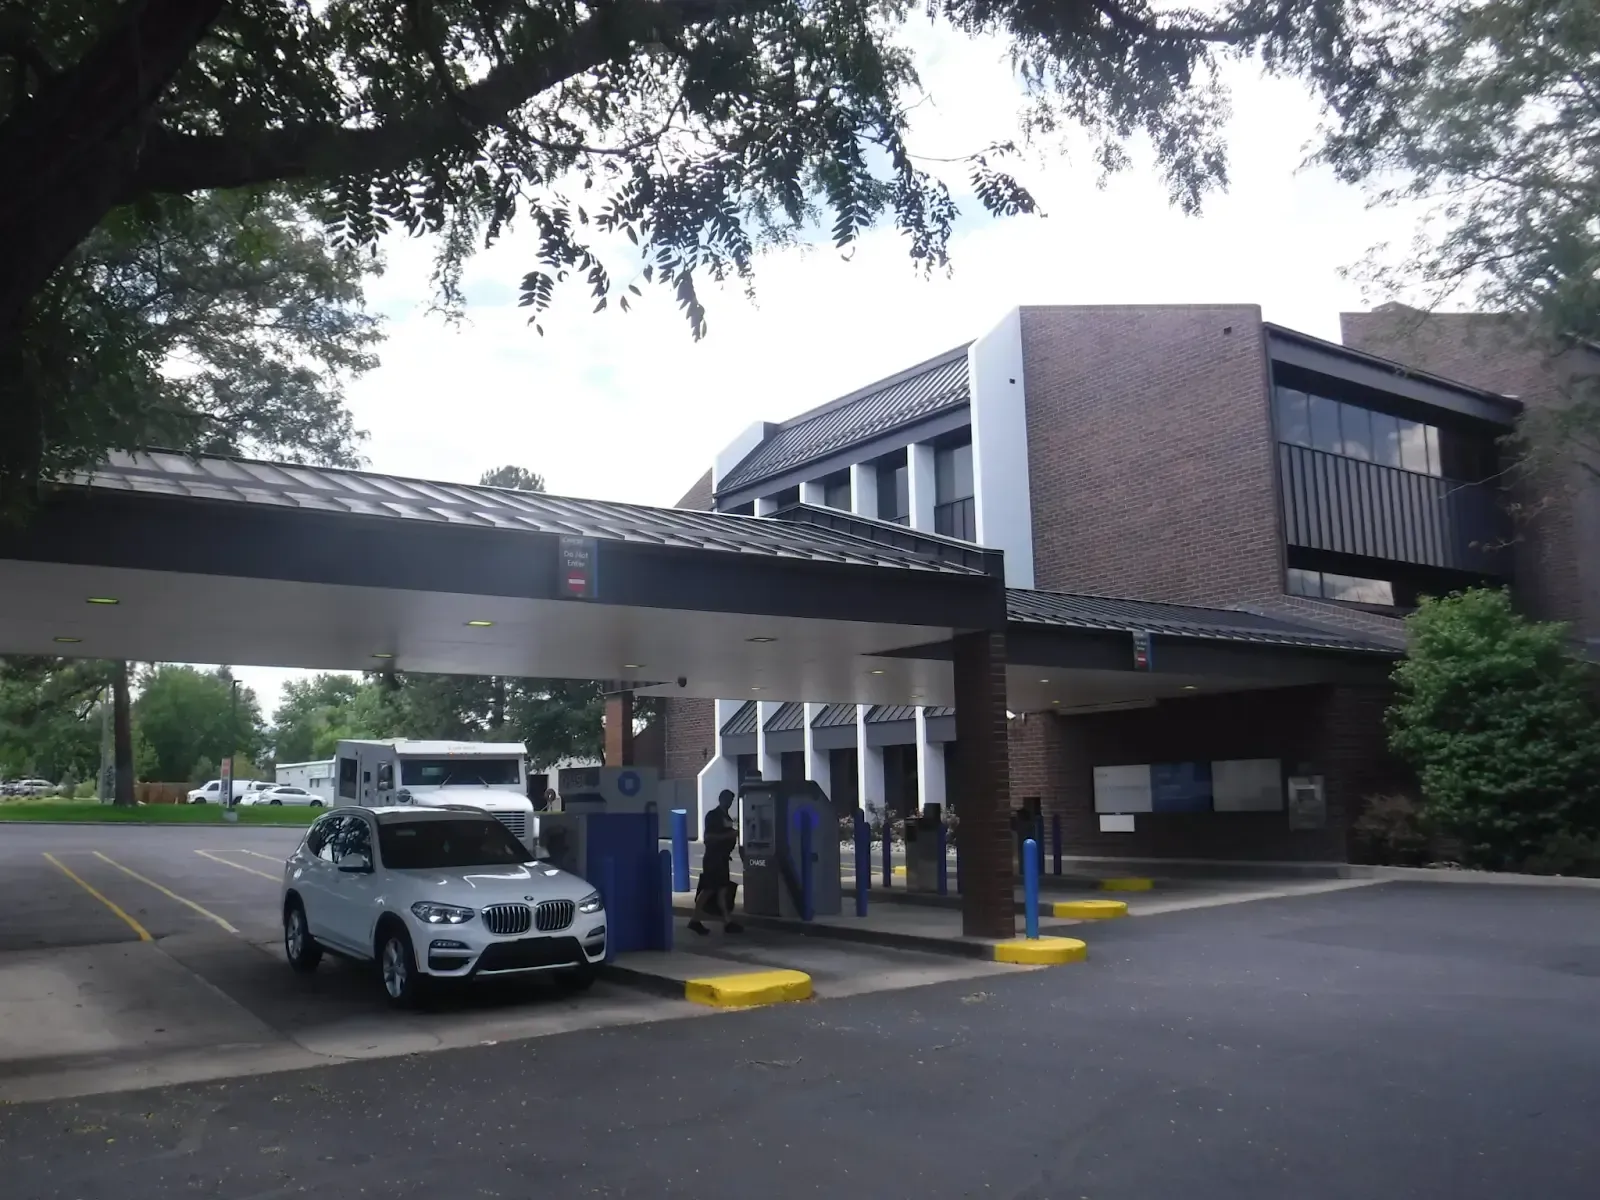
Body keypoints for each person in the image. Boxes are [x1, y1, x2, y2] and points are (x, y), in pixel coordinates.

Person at [688, 789, 744, 935]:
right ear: (720, 799)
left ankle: (727, 922)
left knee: (722, 891)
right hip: (713, 859)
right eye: (727, 800)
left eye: (731, 800)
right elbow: (709, 837)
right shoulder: (713, 816)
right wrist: (729, 835)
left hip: (722, 858)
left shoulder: (726, 817)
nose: (729, 803)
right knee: (709, 890)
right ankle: (696, 920)